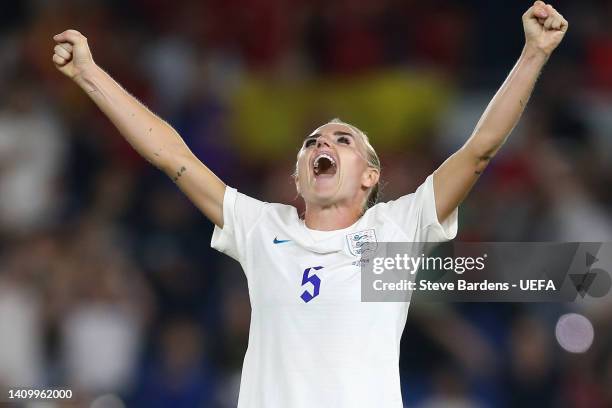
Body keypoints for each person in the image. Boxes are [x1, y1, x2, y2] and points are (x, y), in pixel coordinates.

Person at [52, 2, 568, 407]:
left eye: (342, 140)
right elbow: (173, 155)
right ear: (298, 176)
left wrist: (534, 55)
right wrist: (89, 74)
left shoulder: (396, 229)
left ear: (371, 176)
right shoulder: (261, 227)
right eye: (311, 143)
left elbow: (478, 151)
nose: (322, 145)